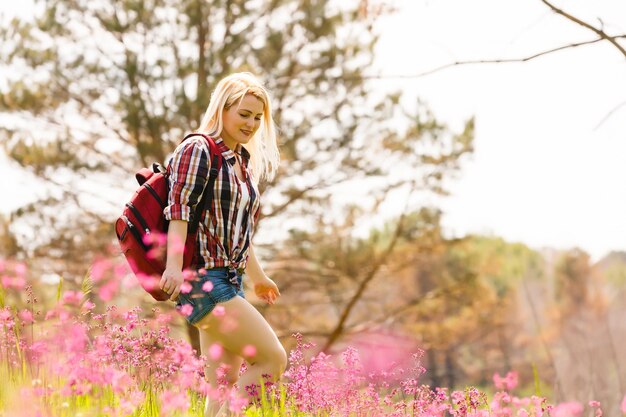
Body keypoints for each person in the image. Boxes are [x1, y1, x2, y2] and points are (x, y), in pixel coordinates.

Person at [160, 72, 287, 416]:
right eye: (244, 114)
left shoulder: (239, 163)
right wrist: (173, 265)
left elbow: (241, 233)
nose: (251, 124)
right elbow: (179, 211)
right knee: (273, 359)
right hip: (203, 281)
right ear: (222, 110)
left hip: (228, 280)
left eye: (258, 118)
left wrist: (257, 276)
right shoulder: (198, 148)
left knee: (221, 391)